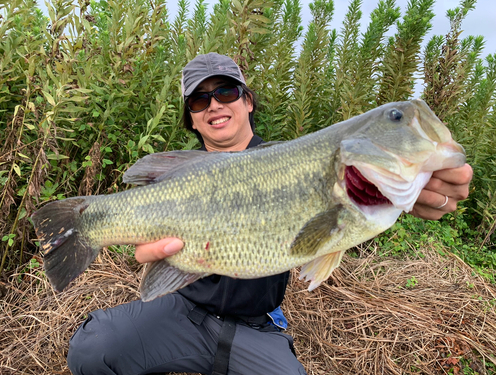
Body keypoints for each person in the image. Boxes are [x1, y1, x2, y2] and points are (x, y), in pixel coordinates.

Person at [67, 53, 473, 375]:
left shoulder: (295, 160)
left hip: (255, 324)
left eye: (225, 92)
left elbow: (335, 225)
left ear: (247, 101)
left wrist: (427, 189)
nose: (214, 105)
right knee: (92, 349)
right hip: (183, 309)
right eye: (199, 99)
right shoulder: (183, 176)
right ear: (191, 118)